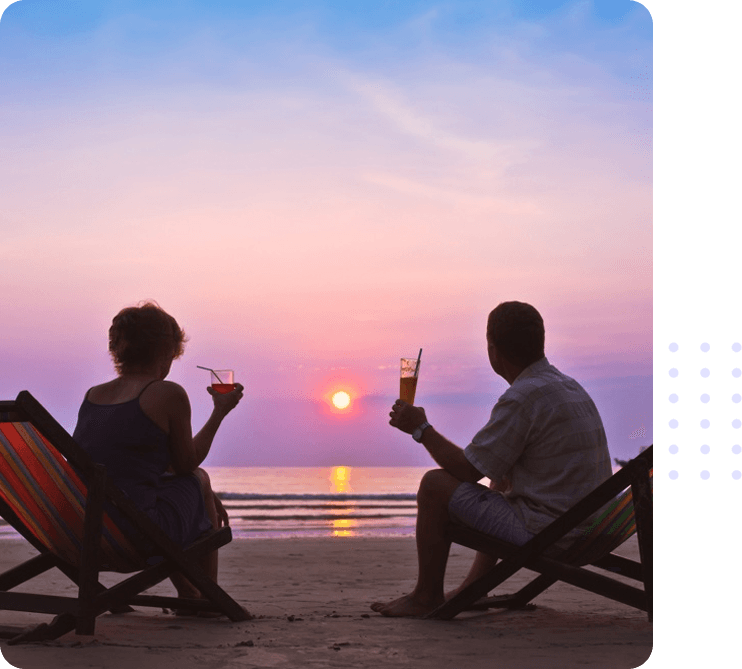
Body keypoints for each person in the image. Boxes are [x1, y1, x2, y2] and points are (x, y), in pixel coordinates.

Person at [371, 301, 612, 617]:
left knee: (434, 484)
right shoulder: (566, 386)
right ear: (540, 341)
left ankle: (425, 597)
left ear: (493, 351)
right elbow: (489, 469)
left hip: (555, 533)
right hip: (594, 526)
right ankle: (474, 587)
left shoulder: (523, 397)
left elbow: (468, 470)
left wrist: (420, 429)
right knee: (501, 478)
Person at [73, 301, 247, 615]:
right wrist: (220, 412)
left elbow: (130, 465)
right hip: (136, 536)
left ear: (118, 350)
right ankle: (205, 598)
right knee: (198, 478)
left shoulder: (92, 397)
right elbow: (186, 465)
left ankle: (189, 592)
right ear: (167, 352)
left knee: (174, 491)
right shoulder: (167, 393)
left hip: (84, 533)